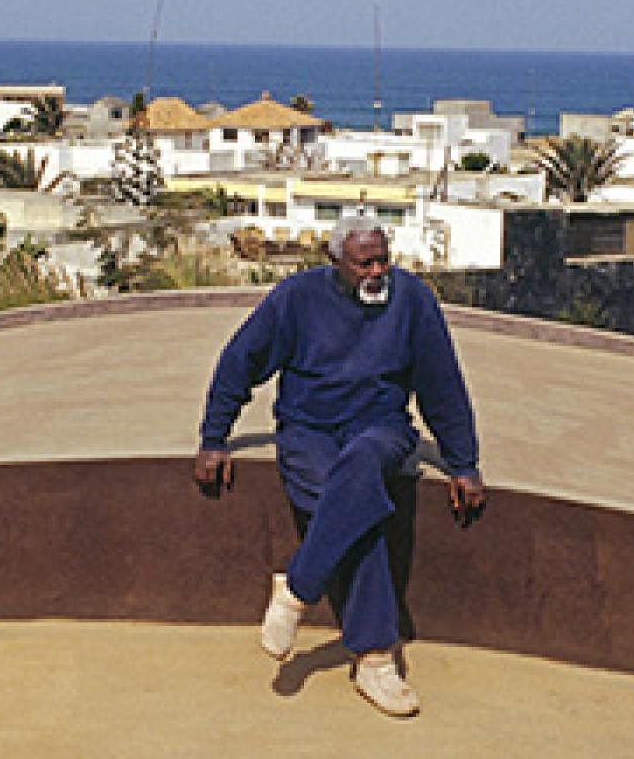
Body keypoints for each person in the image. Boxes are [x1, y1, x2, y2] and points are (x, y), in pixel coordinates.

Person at [193, 216, 486, 717]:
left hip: (381, 427)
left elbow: (442, 384)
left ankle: (297, 589)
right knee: (358, 510)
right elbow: (242, 360)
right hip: (309, 430)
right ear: (335, 262)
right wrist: (213, 437)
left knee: (364, 462)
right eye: (364, 262)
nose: (377, 271)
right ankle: (375, 657)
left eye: (383, 259)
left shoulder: (412, 300)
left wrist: (463, 462)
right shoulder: (297, 298)